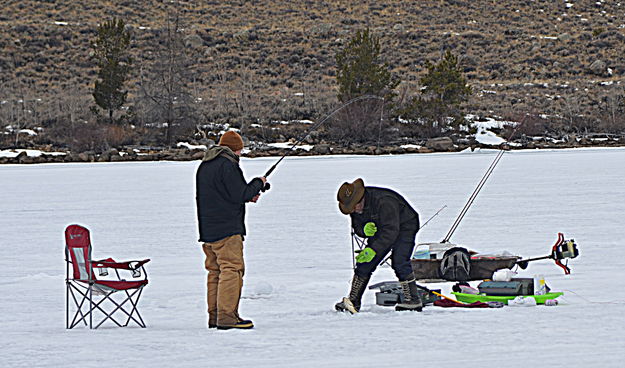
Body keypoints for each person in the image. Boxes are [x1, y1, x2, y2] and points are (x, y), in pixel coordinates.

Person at [196, 130, 267, 330]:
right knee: (231, 269)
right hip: (227, 229)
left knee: (215, 272)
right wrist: (257, 184)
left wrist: (248, 194)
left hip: (208, 229)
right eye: (240, 151)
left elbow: (227, 194)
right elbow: (240, 193)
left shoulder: (205, 165)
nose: (240, 155)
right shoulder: (228, 165)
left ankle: (215, 316)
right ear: (235, 149)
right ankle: (227, 317)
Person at [335, 178, 422, 313]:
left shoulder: (384, 201)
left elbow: (391, 232)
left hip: (405, 225)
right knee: (365, 263)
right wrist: (363, 230)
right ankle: (353, 301)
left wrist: (373, 249)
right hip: (382, 228)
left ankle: (413, 300)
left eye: (354, 207)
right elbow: (357, 226)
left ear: (360, 199)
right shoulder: (355, 209)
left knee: (399, 261)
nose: (354, 211)